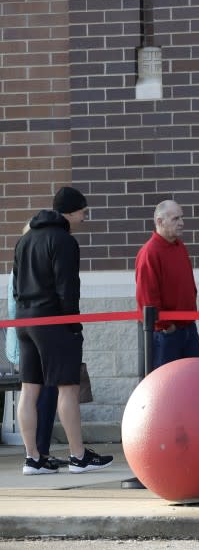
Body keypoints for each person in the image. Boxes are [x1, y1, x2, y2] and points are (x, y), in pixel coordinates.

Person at [13, 186, 113, 475]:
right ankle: (78, 456)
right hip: (54, 320)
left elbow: (16, 284)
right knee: (67, 387)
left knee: (29, 389)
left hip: (24, 320)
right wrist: (73, 324)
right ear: (69, 211)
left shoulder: (25, 239)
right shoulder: (64, 241)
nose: (84, 217)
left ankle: (33, 458)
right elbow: (67, 289)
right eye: (83, 211)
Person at [6, 223, 67, 469]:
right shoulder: (28, 267)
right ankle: (37, 452)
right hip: (32, 338)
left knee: (38, 395)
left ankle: (37, 454)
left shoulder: (24, 262)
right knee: (43, 394)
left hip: (26, 335)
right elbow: (15, 305)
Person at [135, 200, 199, 370]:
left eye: (182, 217)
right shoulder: (150, 252)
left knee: (191, 383)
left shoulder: (179, 246)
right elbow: (147, 298)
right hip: (165, 334)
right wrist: (165, 326)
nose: (182, 223)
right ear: (159, 221)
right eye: (175, 218)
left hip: (188, 327)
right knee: (165, 387)